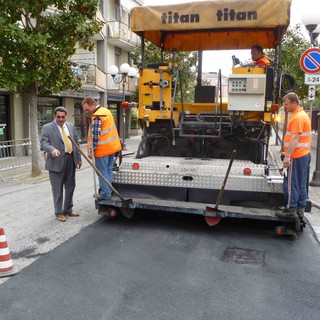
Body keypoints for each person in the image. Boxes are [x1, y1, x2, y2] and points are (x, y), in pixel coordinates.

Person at [40, 106, 82, 222]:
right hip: (56, 162)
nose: (61, 119)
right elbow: (43, 143)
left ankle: (68, 209)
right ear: (55, 116)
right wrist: (52, 150)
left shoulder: (70, 126)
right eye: (58, 117)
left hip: (70, 160)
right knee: (57, 189)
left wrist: (78, 158)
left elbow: (76, 142)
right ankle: (59, 213)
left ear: (66, 116)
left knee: (70, 186)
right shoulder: (47, 128)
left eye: (63, 117)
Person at [276, 93, 312, 219]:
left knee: (292, 184)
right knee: (301, 184)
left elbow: (295, 139)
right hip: (304, 155)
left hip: (296, 156)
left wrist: (287, 156)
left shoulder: (297, 118)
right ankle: (300, 208)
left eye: (286, 104)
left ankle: (290, 209)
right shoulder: (302, 115)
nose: (284, 106)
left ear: (294, 103)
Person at [81, 96, 122, 200]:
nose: (86, 112)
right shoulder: (106, 111)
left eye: (87, 109)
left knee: (101, 172)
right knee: (108, 170)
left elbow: (95, 137)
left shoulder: (97, 116)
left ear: (93, 105)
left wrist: (91, 151)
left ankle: (105, 193)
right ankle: (109, 190)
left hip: (102, 150)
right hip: (111, 148)